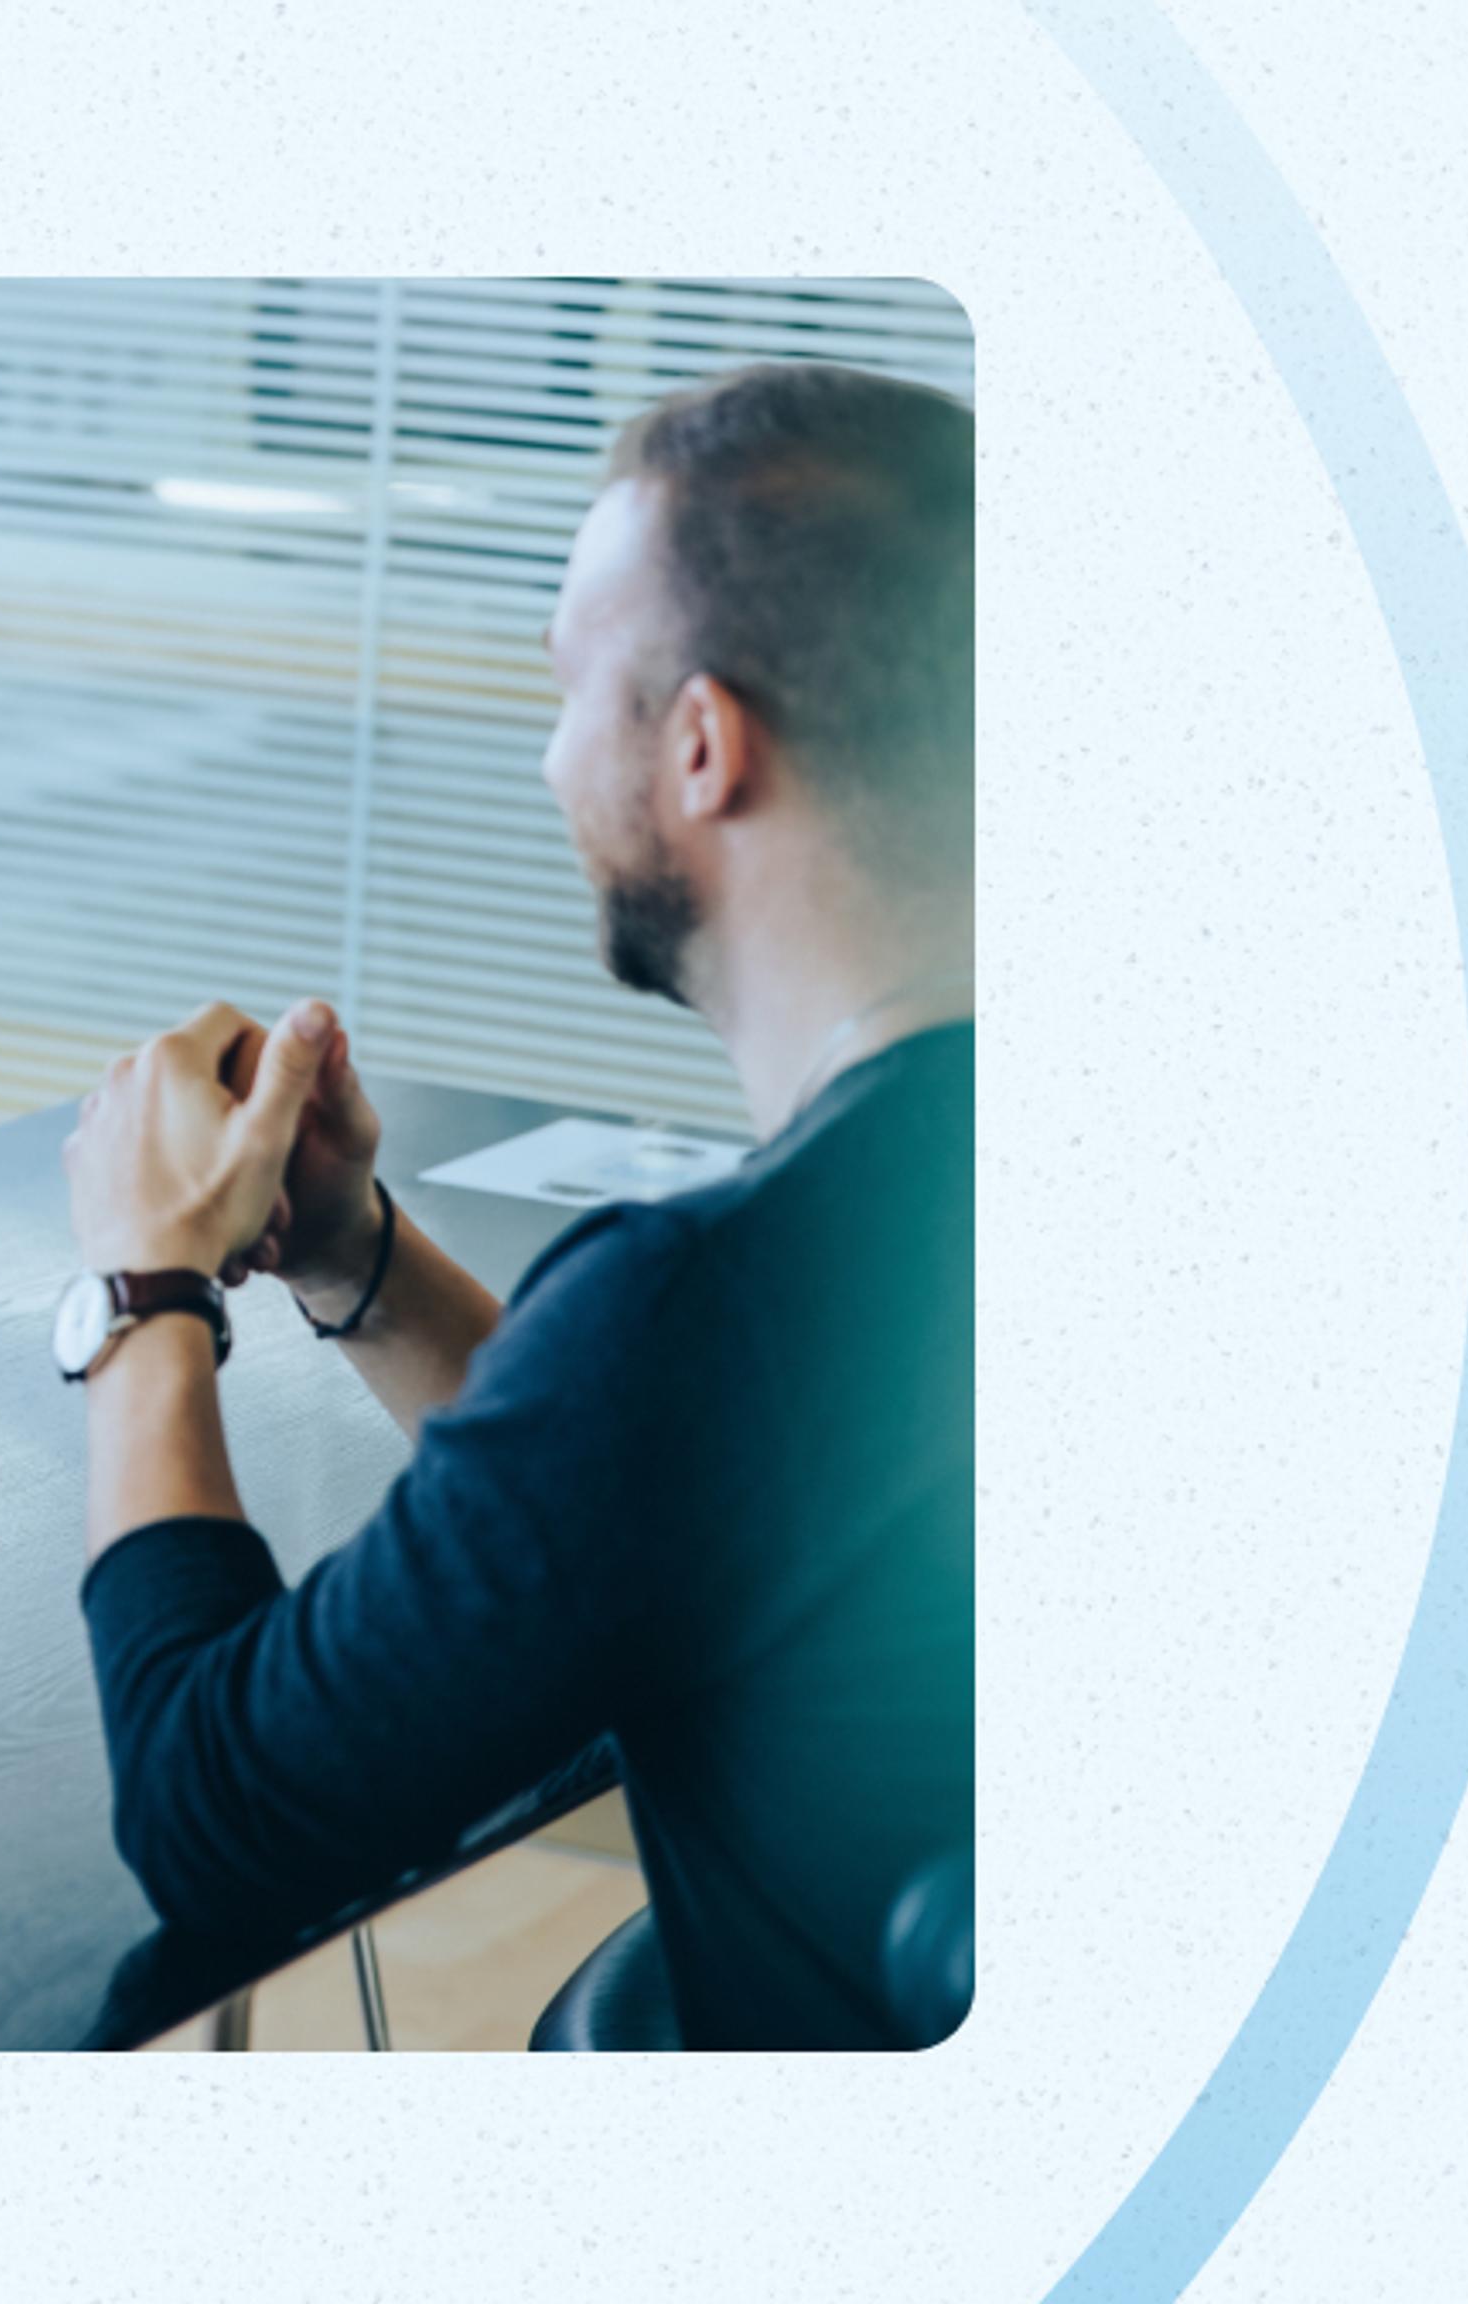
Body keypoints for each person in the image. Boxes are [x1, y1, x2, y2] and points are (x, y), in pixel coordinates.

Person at [53, 361, 972, 2049]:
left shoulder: (725, 1292)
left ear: (701, 747)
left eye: (567, 689)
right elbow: (657, 1506)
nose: (547, 758)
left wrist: (140, 1292)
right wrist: (353, 1257)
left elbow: (213, 1816)